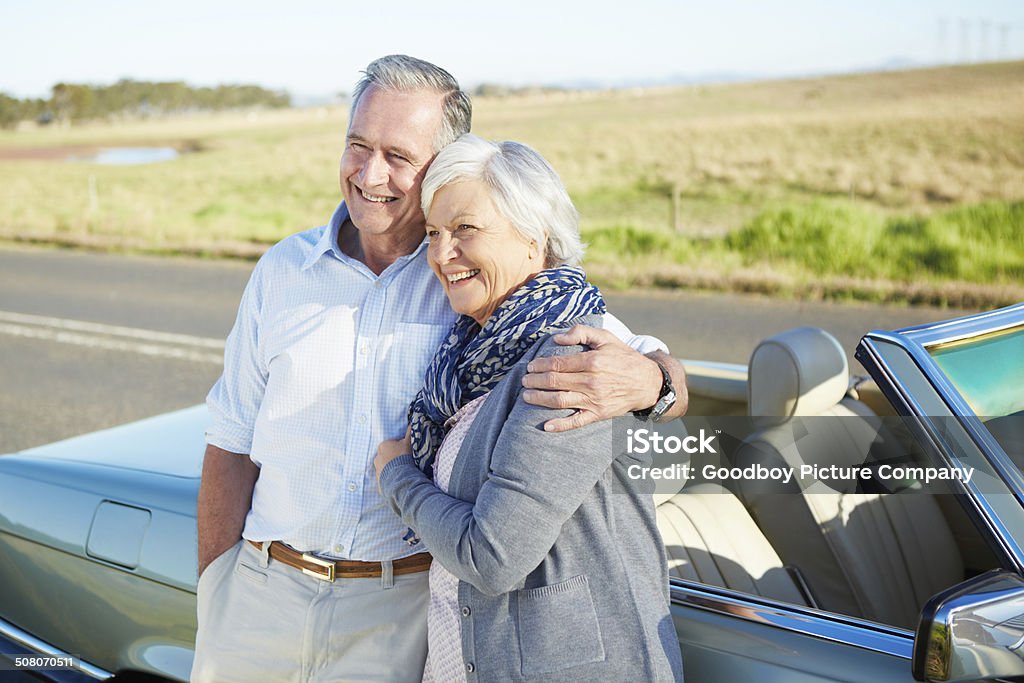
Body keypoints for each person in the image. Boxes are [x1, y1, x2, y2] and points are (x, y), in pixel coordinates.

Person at [193, 55, 688, 683]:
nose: (371, 173)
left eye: (399, 156)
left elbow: (638, 362)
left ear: (441, 168)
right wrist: (218, 589)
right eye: (357, 145)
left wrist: (655, 380)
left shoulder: (476, 285)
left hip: (399, 616)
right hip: (260, 598)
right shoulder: (282, 272)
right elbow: (232, 440)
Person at [374, 134, 683, 682]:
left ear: (535, 238)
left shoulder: (572, 358)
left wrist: (397, 475)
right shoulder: (473, 349)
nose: (442, 255)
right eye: (433, 234)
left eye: (465, 230)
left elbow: (491, 557)